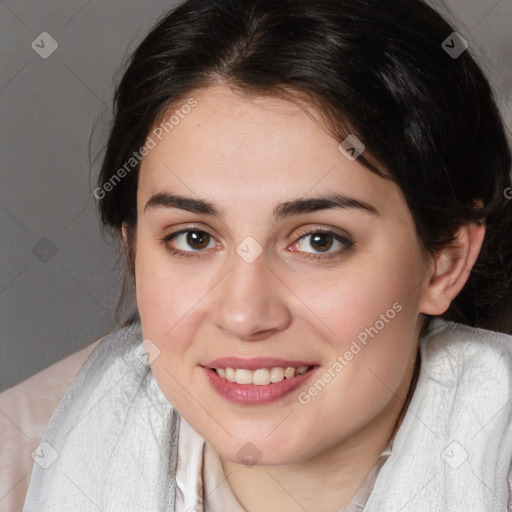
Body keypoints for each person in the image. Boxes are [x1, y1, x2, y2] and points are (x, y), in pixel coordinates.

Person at [23, 0, 512, 510]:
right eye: (193, 238)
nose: (244, 314)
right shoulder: (21, 466)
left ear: (446, 262)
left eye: (319, 240)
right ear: (134, 253)